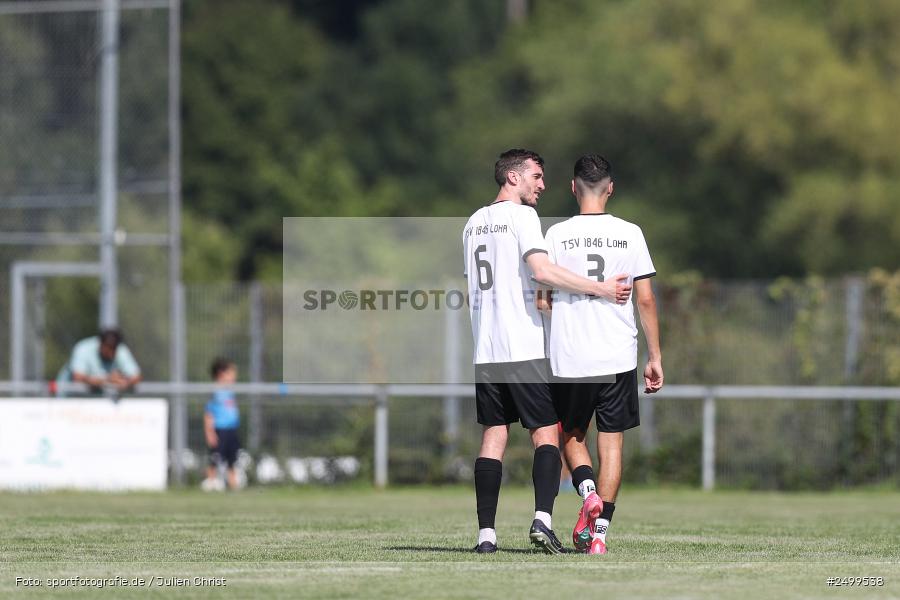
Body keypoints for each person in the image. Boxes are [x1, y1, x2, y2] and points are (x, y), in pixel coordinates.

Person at [462, 149, 632, 554]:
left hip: (486, 347)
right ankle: (542, 521)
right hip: (521, 344)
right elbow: (542, 272)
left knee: (493, 435)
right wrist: (602, 288)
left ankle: (486, 536)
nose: (542, 184)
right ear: (513, 177)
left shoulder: (471, 223)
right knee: (546, 436)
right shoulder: (522, 217)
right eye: (536, 176)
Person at [541, 154, 663, 555]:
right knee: (611, 446)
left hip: (571, 355)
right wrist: (654, 356)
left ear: (573, 187)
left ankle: (587, 492)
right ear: (610, 189)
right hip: (618, 356)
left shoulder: (556, 235)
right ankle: (599, 537)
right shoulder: (630, 233)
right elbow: (645, 300)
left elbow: (543, 301)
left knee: (571, 437)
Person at [56, 328, 142, 396]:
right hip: (69, 397)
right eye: (108, 348)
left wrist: (125, 383)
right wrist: (108, 380)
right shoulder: (83, 348)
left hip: (95, 400)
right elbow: (78, 378)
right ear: (101, 344)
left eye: (114, 349)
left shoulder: (120, 350)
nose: (111, 353)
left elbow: (136, 376)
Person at [202, 357, 241, 491]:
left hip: (231, 430)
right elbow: (209, 414)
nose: (234, 376)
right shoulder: (215, 392)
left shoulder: (231, 391)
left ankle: (233, 483)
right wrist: (210, 433)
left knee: (232, 459)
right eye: (231, 373)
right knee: (215, 458)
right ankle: (211, 482)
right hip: (220, 430)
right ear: (221, 374)